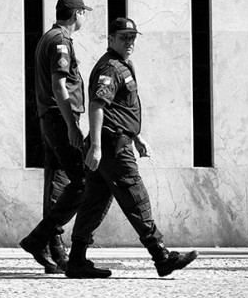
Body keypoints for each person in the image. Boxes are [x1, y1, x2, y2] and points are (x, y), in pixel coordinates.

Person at [65, 17, 198, 278]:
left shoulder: (123, 65)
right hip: (111, 147)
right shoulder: (110, 68)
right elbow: (97, 106)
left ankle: (76, 260)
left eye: (133, 38)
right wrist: (96, 147)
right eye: (124, 37)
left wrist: (137, 136)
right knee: (136, 199)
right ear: (111, 39)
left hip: (116, 141)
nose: (130, 43)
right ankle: (161, 257)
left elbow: (121, 109)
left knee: (94, 203)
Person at [19, 0, 92, 274]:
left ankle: (54, 247)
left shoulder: (48, 38)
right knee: (84, 181)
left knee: (57, 184)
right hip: (60, 119)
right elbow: (60, 86)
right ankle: (40, 238)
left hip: (50, 118)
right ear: (75, 14)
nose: (84, 17)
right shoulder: (60, 42)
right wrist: (73, 127)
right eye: (84, 12)